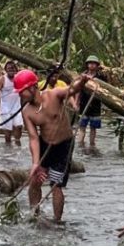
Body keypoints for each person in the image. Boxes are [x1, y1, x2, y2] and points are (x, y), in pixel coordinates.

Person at [14, 69, 91, 222]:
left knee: (56, 185)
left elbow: (72, 89)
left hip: (64, 146)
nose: (20, 95)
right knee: (36, 180)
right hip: (44, 144)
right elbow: (33, 138)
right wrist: (36, 163)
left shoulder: (53, 95)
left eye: (22, 92)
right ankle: (34, 215)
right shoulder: (27, 112)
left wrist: (82, 81)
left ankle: (57, 221)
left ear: (32, 87)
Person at [0, 60, 23, 145]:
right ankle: (8, 150)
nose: (11, 70)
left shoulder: (18, 78)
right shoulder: (2, 79)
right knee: (8, 132)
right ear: (6, 70)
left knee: (19, 126)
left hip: (17, 107)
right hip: (6, 108)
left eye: (13, 68)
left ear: (16, 69)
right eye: (9, 68)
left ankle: (18, 145)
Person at [77, 55, 106, 147]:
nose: (92, 65)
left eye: (94, 64)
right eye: (90, 63)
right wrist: (77, 102)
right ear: (87, 65)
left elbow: (105, 90)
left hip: (95, 104)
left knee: (93, 128)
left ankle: (92, 145)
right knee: (82, 127)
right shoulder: (83, 75)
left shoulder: (101, 77)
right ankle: (80, 144)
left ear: (97, 65)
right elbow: (78, 89)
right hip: (84, 103)